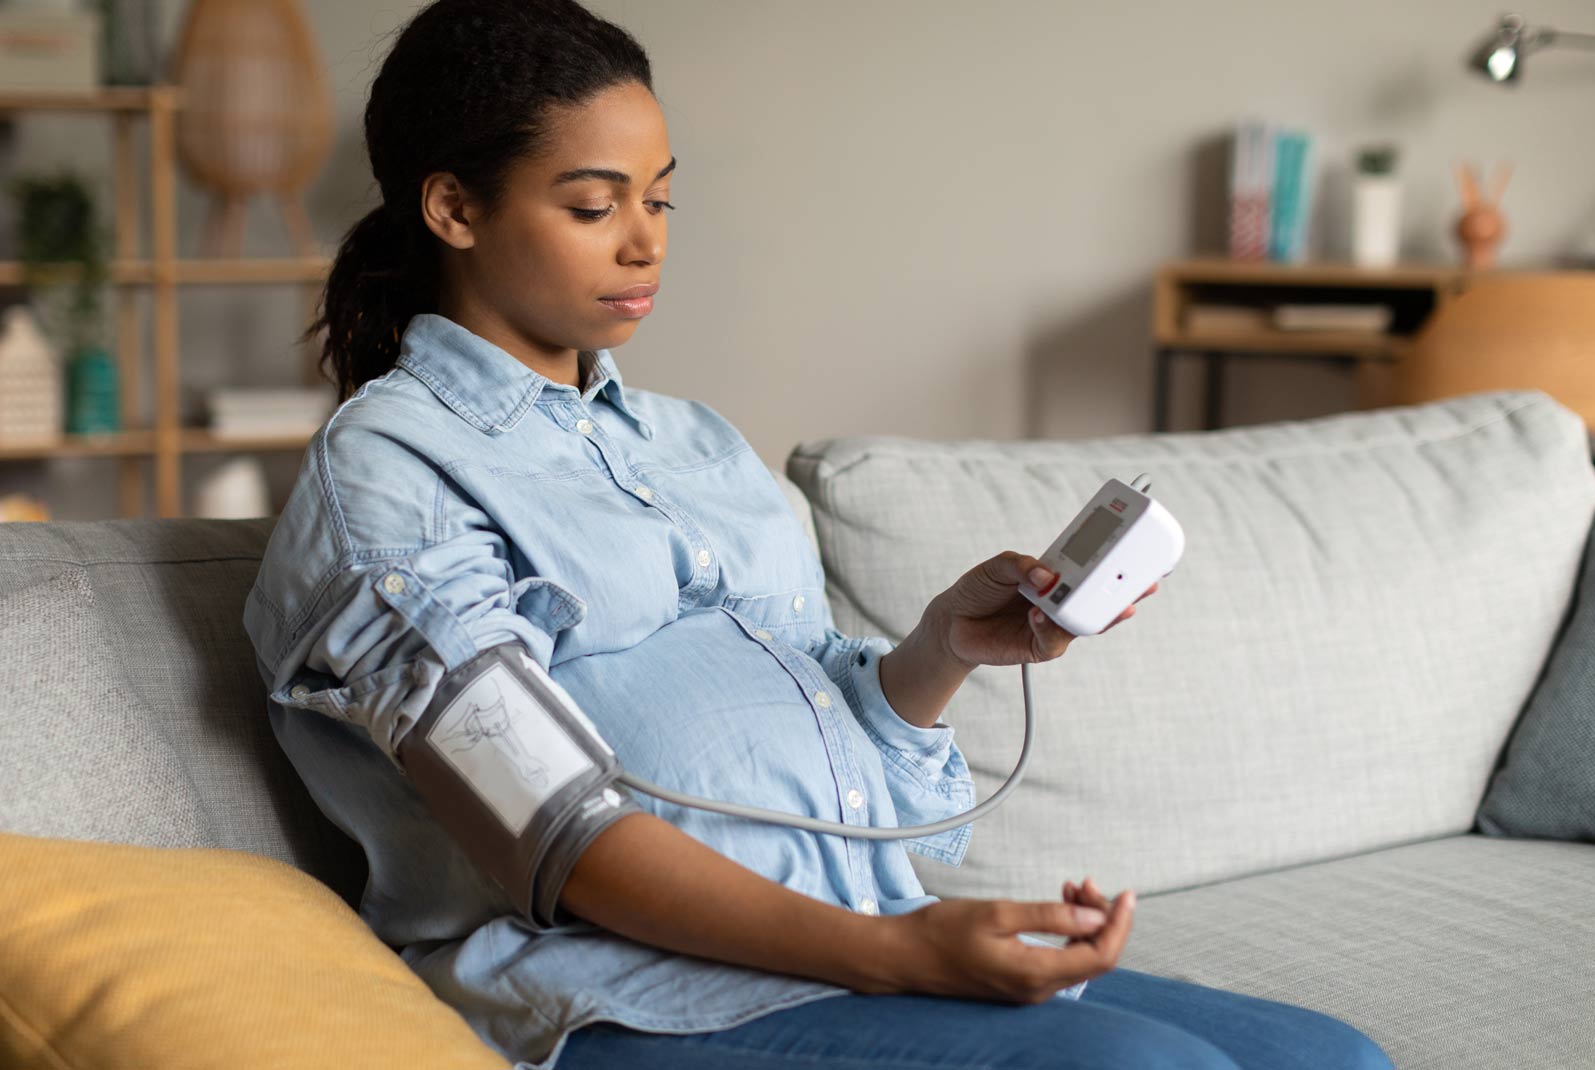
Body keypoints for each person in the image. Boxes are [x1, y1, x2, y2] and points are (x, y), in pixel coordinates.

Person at [241, 2, 1395, 1067]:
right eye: (593, 206)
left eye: (659, 199)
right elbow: (545, 825)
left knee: (1331, 1055)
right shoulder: (388, 470)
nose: (643, 241)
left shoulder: (689, 442)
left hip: (854, 938)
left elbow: (817, 738)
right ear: (453, 208)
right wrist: (914, 954)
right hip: (627, 992)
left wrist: (938, 651)